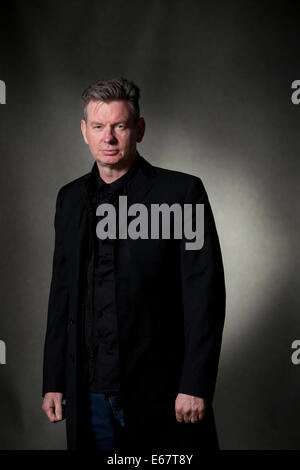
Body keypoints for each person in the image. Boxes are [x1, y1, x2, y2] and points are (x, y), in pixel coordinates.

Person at [41, 77, 226, 453]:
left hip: (161, 392)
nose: (108, 137)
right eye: (98, 127)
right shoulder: (70, 199)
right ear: (84, 132)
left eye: (119, 126)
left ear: (138, 130)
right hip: (87, 394)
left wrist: (194, 383)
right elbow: (61, 292)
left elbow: (204, 295)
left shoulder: (181, 193)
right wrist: (54, 380)